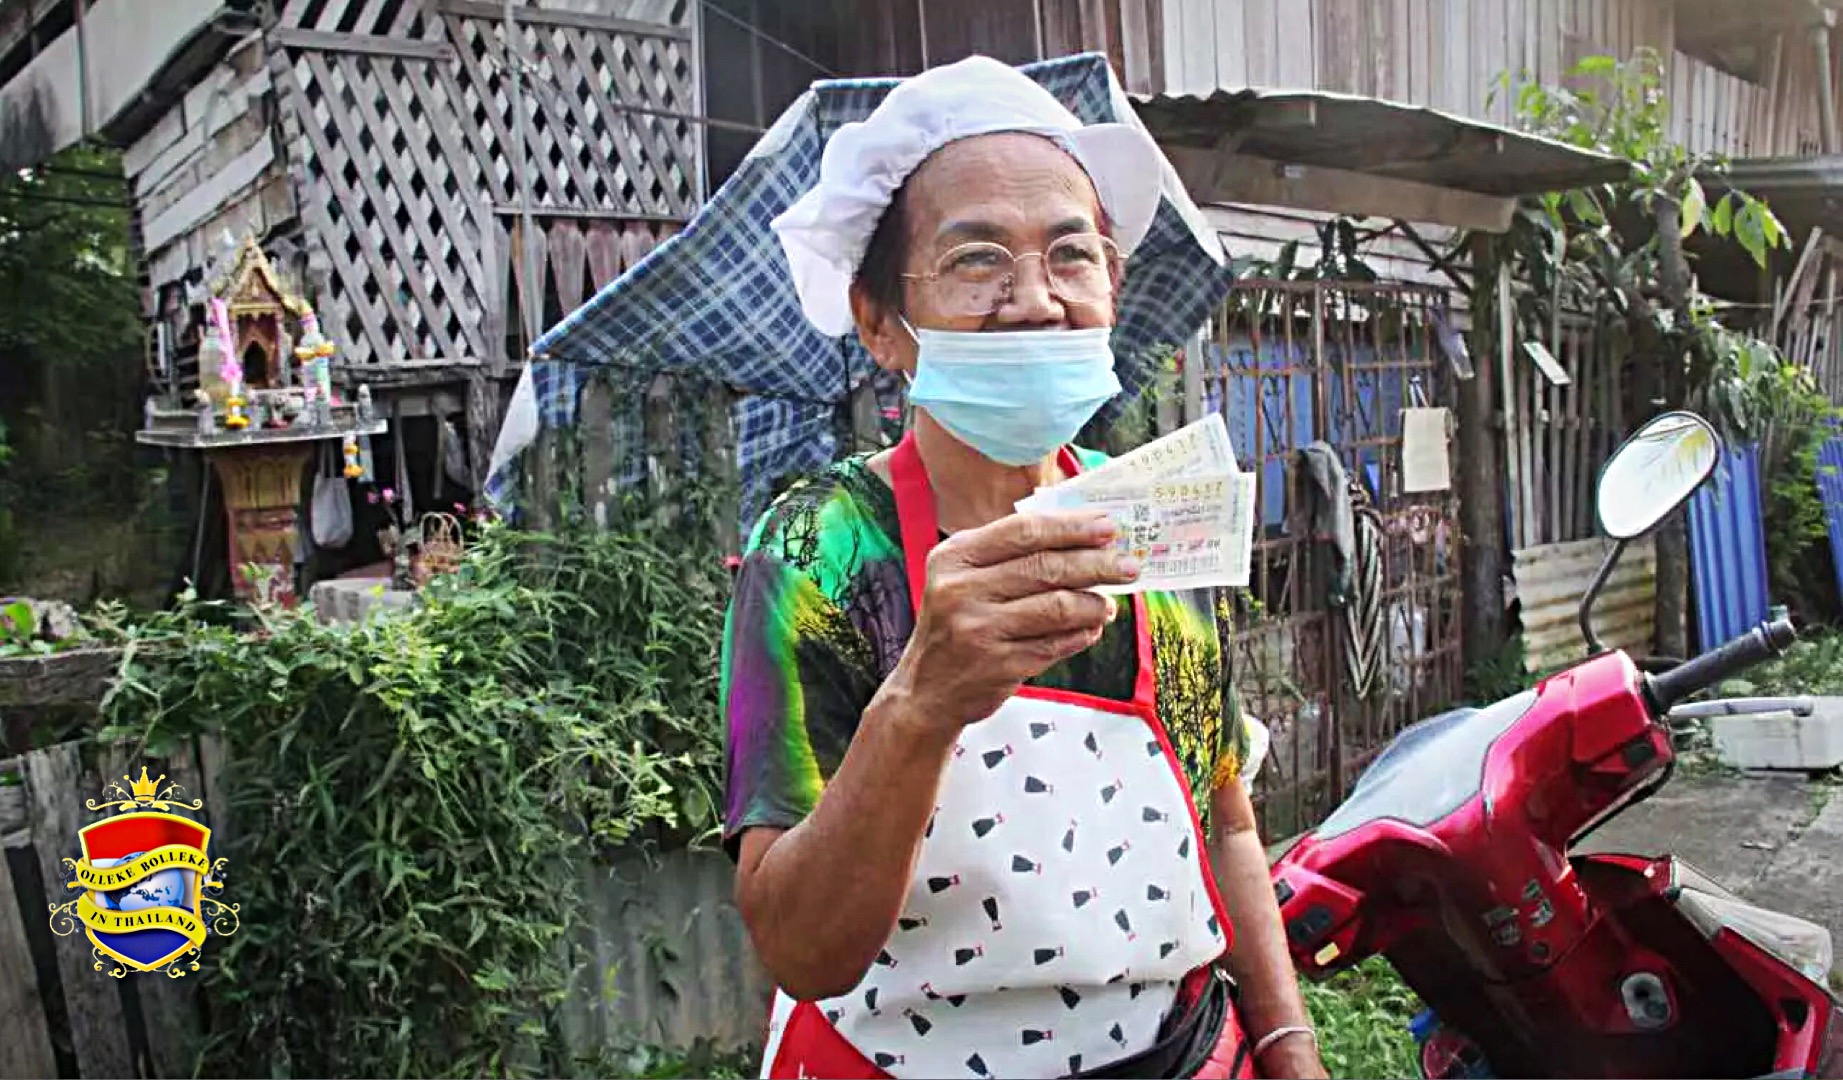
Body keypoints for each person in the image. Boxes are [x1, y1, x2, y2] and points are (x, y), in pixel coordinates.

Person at [721, 55, 1326, 1080]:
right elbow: (799, 949)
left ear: (1112, 287)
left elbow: (1224, 819)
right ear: (879, 321)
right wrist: (919, 701)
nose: (1036, 299)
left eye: (1071, 255)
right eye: (976, 261)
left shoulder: (1151, 528)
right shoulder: (822, 548)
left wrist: (1287, 1044)